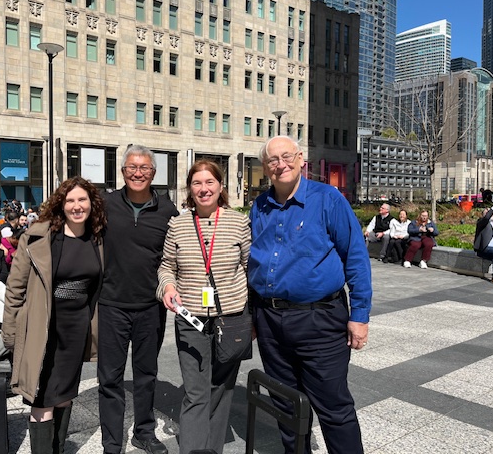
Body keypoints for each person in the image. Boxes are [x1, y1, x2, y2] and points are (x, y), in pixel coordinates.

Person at [247, 137, 371, 454]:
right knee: (287, 407)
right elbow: (252, 262)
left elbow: (355, 257)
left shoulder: (328, 199)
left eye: (286, 156)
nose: (280, 164)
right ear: (265, 168)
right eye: (272, 160)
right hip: (270, 321)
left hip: (320, 320)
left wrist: (359, 316)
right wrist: (251, 316)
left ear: (301, 159)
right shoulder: (259, 207)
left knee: (333, 407)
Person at [2, 177, 106, 454]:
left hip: (77, 328)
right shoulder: (38, 236)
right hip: (44, 328)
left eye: (82, 199)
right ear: (60, 204)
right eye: (70, 200)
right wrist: (11, 333)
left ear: (91, 203)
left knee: (64, 396)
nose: (76, 206)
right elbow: (15, 288)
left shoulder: (97, 237)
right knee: (43, 399)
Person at [158, 160, 251, 454]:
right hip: (191, 319)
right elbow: (166, 266)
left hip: (231, 318)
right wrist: (168, 286)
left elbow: (250, 269)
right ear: (190, 189)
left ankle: (213, 449)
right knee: (196, 391)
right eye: (197, 183)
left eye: (210, 182)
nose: (204, 189)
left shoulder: (239, 223)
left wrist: (255, 319)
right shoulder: (178, 224)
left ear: (220, 186)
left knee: (223, 389)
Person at [98, 145, 177, 454]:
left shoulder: (167, 210)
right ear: (122, 172)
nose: (138, 172)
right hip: (111, 305)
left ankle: (144, 431)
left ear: (153, 173)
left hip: (149, 307)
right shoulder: (105, 204)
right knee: (110, 379)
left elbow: (177, 255)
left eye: (144, 168)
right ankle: (112, 442)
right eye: (132, 167)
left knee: (146, 375)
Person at [474, 197, 493, 284]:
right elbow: (486, 218)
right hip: (485, 248)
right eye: (487, 212)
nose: (490, 213)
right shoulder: (481, 222)